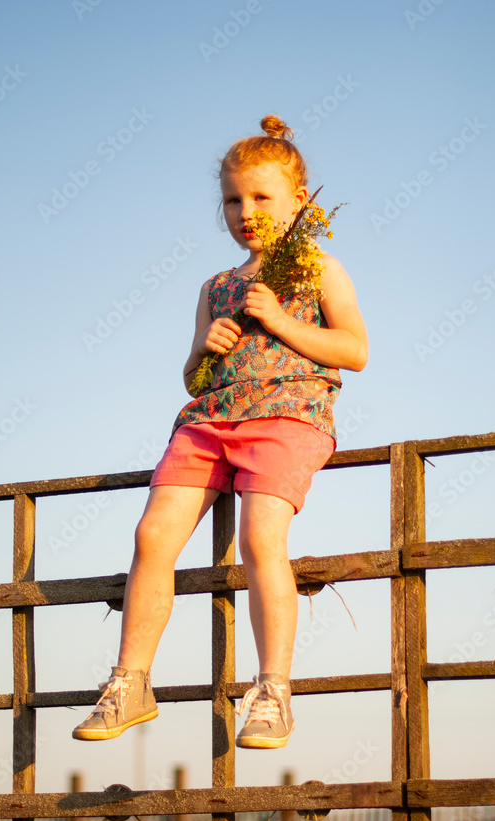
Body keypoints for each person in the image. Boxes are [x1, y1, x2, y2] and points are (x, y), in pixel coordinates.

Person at [72, 115, 368, 750]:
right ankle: (132, 682)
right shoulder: (215, 286)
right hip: (211, 421)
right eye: (233, 200)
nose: (245, 211)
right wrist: (204, 348)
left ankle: (271, 693)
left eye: (262, 197)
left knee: (264, 537)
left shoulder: (319, 268)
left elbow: (355, 349)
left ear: (301, 199)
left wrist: (280, 322)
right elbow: (192, 377)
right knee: (152, 534)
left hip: (286, 417)